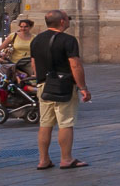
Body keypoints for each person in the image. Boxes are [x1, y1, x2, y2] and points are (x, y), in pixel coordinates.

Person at [30, 9, 91, 169]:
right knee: (65, 123)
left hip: (44, 84)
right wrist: (83, 87)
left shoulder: (36, 40)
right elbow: (75, 64)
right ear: (62, 21)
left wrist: (40, 79)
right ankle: (66, 158)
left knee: (45, 123)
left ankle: (43, 160)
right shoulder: (68, 40)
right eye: (68, 18)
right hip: (63, 85)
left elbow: (34, 64)